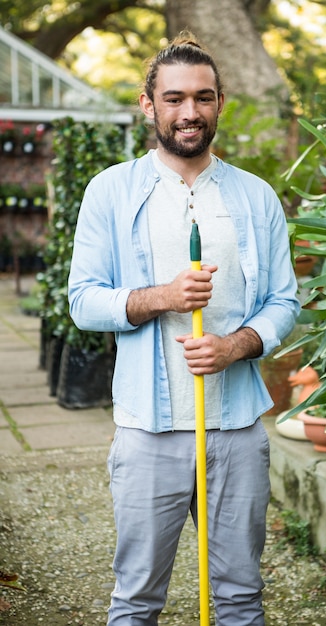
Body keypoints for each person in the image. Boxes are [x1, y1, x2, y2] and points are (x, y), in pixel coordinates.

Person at [68, 31, 300, 626]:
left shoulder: (255, 197)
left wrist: (235, 345)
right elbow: (83, 301)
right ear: (149, 105)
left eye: (202, 97)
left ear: (220, 102)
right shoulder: (111, 192)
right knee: (137, 599)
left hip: (235, 429)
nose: (188, 112)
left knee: (241, 596)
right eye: (173, 99)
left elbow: (283, 301)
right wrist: (162, 297)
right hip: (149, 431)